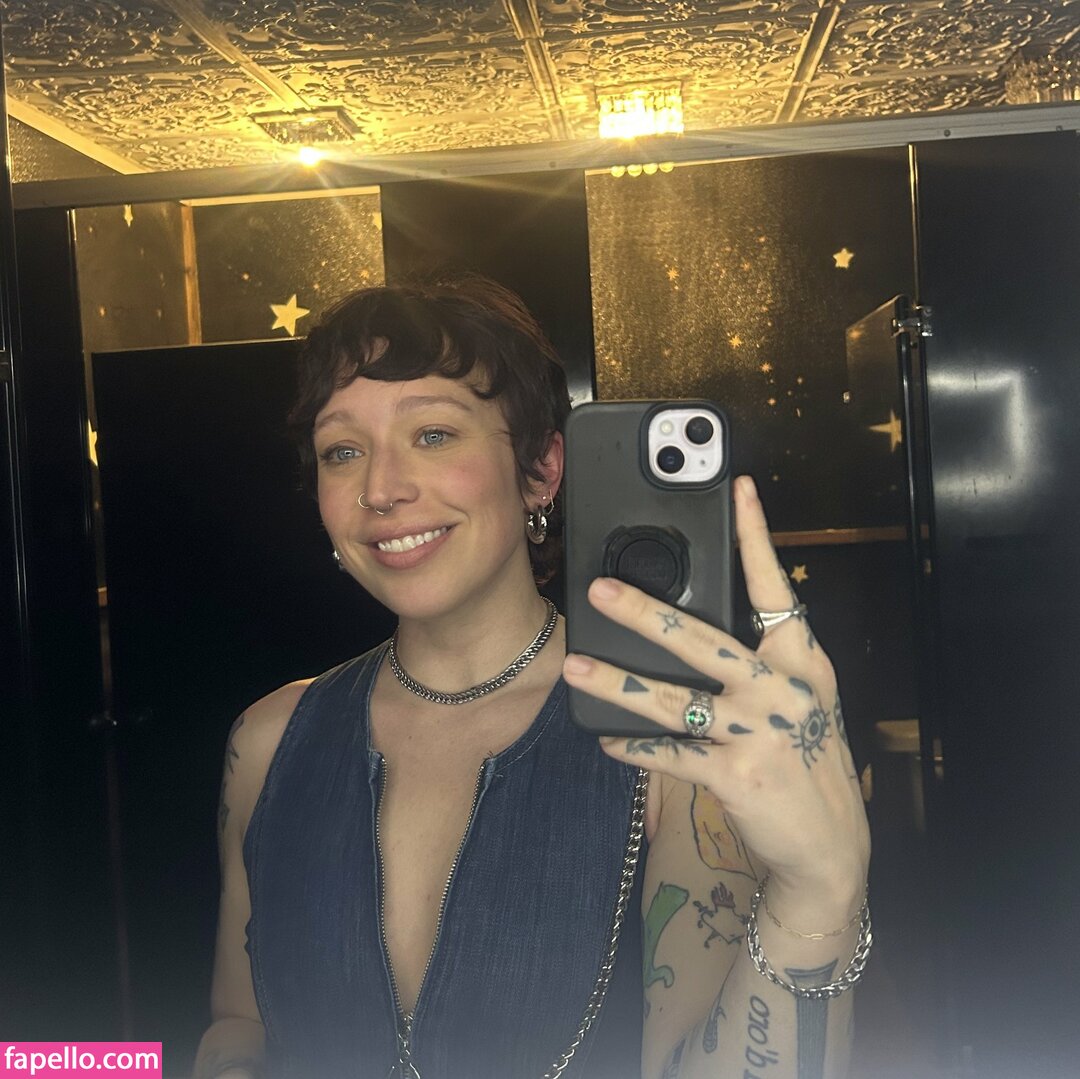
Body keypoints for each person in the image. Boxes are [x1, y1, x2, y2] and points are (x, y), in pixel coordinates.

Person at [193, 274, 871, 1079]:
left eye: (433, 434)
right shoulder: (268, 742)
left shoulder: (669, 746)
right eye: (343, 450)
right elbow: (238, 1018)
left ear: (541, 469)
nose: (380, 489)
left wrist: (820, 888)